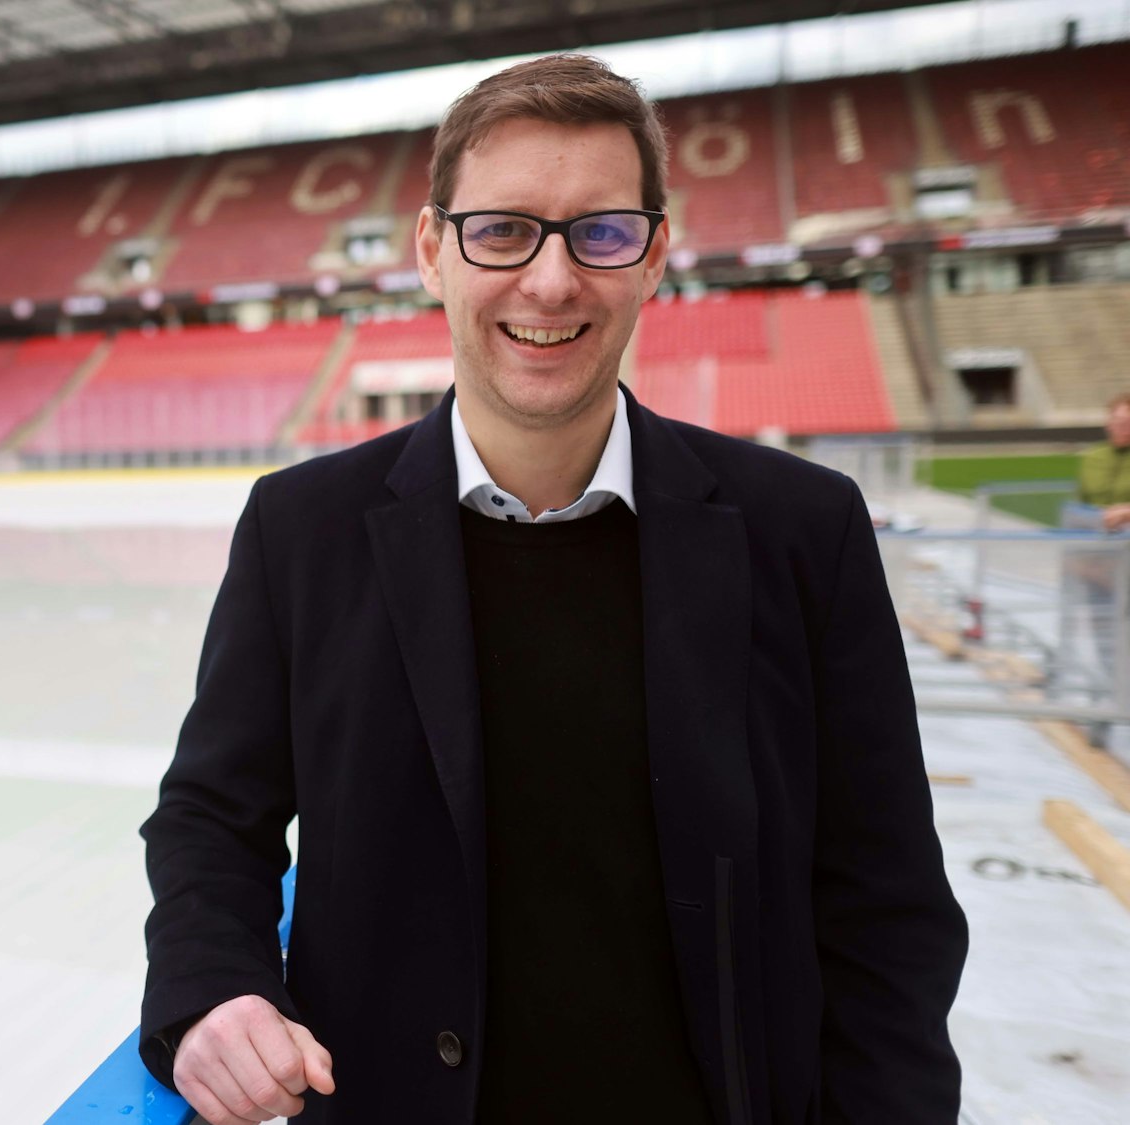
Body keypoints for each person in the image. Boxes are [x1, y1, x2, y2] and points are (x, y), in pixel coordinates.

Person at [139, 54, 967, 1124]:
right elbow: (209, 816)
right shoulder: (302, 528)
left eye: (601, 232)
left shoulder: (801, 528)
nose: (549, 279)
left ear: (654, 255)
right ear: (432, 252)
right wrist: (212, 990)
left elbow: (884, 895)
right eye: (502, 230)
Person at [1077, 392, 1130, 530]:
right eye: (1118, 421)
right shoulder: (1093, 457)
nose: (1123, 428)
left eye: (1128, 423)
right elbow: (1082, 501)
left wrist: (1127, 512)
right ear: (1108, 423)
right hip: (1094, 536)